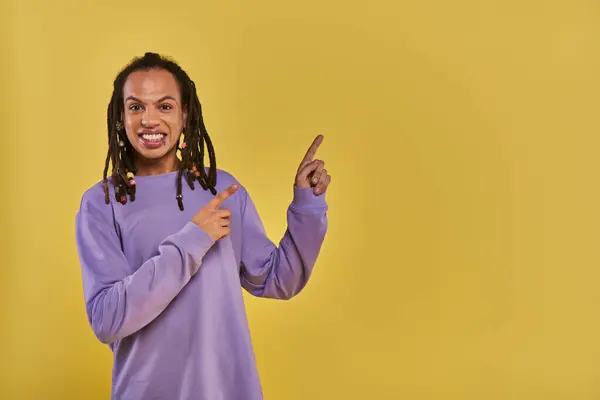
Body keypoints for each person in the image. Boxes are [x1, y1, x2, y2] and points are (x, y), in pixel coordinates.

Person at [74, 52, 330, 400]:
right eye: (136, 107)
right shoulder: (101, 203)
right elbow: (108, 319)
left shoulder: (221, 190)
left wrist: (306, 203)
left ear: (185, 115)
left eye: (164, 106)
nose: (149, 120)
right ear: (121, 117)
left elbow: (278, 279)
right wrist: (192, 240)